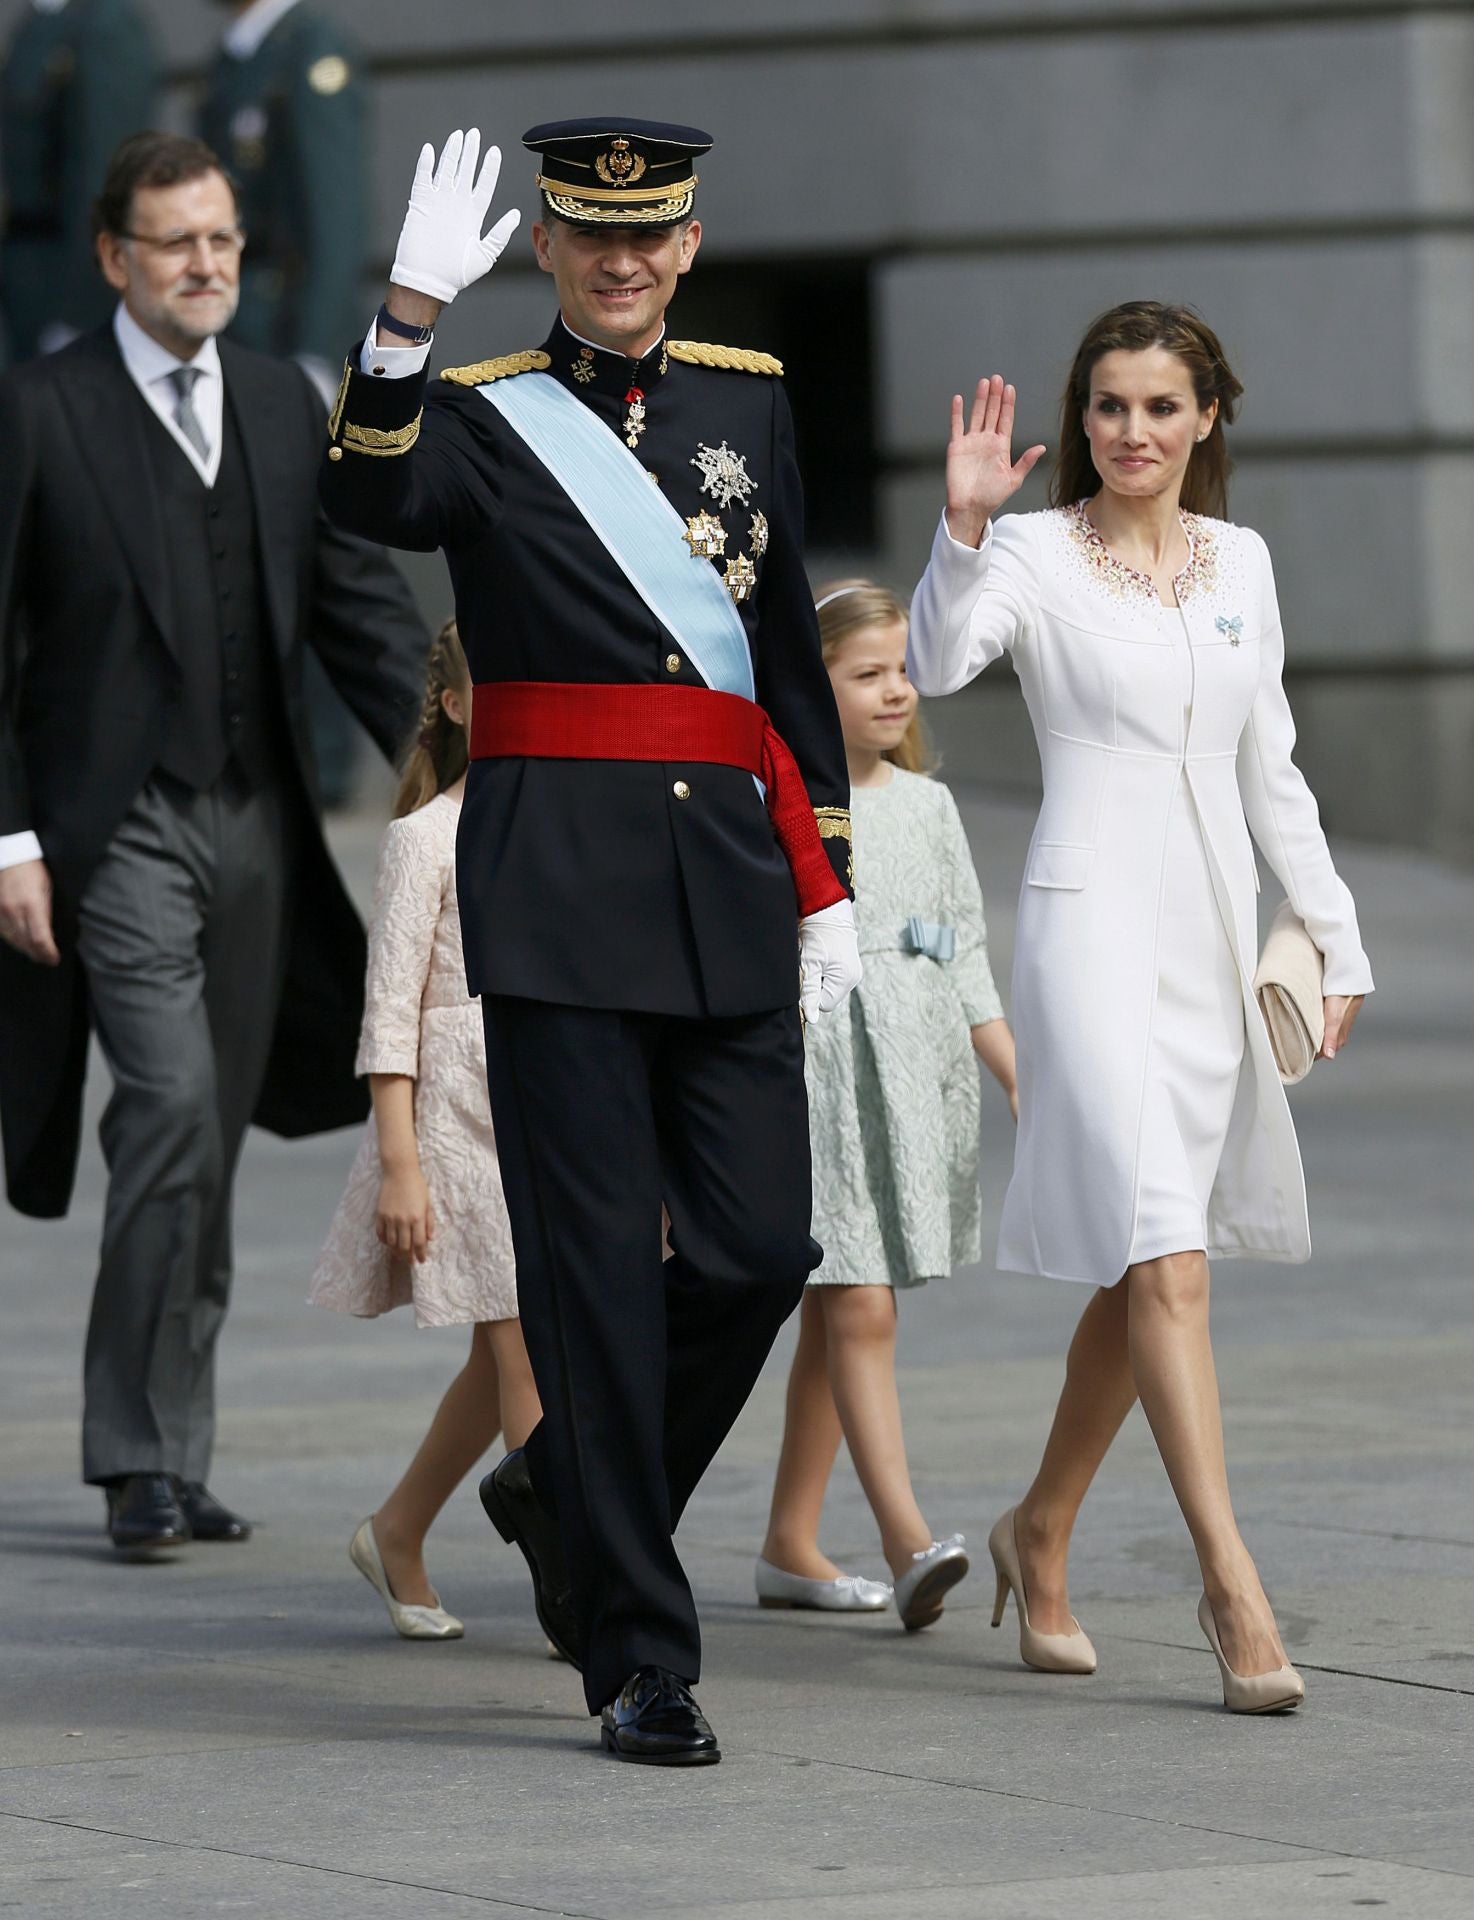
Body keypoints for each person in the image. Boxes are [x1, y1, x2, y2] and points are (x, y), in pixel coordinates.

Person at [320, 121, 861, 1765]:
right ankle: (637, 1655)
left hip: (721, 883)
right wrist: (405, 318)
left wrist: (823, 870)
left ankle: (559, 1492)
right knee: (591, 1293)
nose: (621, 263)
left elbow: (778, 654)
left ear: (686, 243)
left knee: (764, 1248)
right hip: (552, 886)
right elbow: (367, 495)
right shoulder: (480, 415)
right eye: (588, 239)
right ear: (547, 249)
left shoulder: (748, 397)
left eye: (649, 237)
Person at [907, 302, 1373, 1712]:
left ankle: (1036, 1528)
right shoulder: (1036, 551)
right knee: (1169, 1261)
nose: (1130, 433)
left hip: (1210, 944)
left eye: (1159, 408)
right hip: (1084, 932)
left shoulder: (1242, 561)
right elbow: (933, 665)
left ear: (1206, 418)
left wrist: (1332, 939)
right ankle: (1230, 1584)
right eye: (1108, 407)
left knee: (1146, 1259)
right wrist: (963, 528)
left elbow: (1269, 764)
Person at [0, 132, 428, 1555]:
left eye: (225, 242)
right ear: (116, 257)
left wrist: (465, 767)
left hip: (257, 822)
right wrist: (10, 839)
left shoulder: (277, 397)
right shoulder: (41, 408)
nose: (206, 266)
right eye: (176, 243)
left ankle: (173, 1450)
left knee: (209, 1140)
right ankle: (131, 1452)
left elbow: (358, 611)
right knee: (172, 1106)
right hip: (110, 828)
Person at [757, 580, 1017, 1630]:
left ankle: (787, 1541)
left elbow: (961, 951)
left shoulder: (929, 805)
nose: (895, 691)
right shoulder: (778, 798)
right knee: (859, 1303)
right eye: (866, 675)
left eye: (902, 671)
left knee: (841, 1311)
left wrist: (1011, 1069)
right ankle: (908, 1540)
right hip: (818, 1077)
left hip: (911, 1084)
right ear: (810, 690)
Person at [309, 620, 541, 1640]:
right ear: (452, 704)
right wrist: (400, 1165)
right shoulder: (421, 839)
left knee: (503, 1365)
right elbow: (387, 1012)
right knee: (532, 1354)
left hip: (543, 1111)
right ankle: (575, 1586)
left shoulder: (554, 826)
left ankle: (396, 1529)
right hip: (452, 1121)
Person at [199, 0, 374, 807]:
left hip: (286, 333)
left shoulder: (310, 51)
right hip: (239, 330)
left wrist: (317, 354)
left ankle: (327, 760)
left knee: (308, 547)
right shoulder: (239, 55)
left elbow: (335, 221)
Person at [0, 0, 158, 363]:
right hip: (28, 286)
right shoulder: (39, 21)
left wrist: (80, 311)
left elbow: (107, 182)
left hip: (68, 288)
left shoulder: (106, 25)